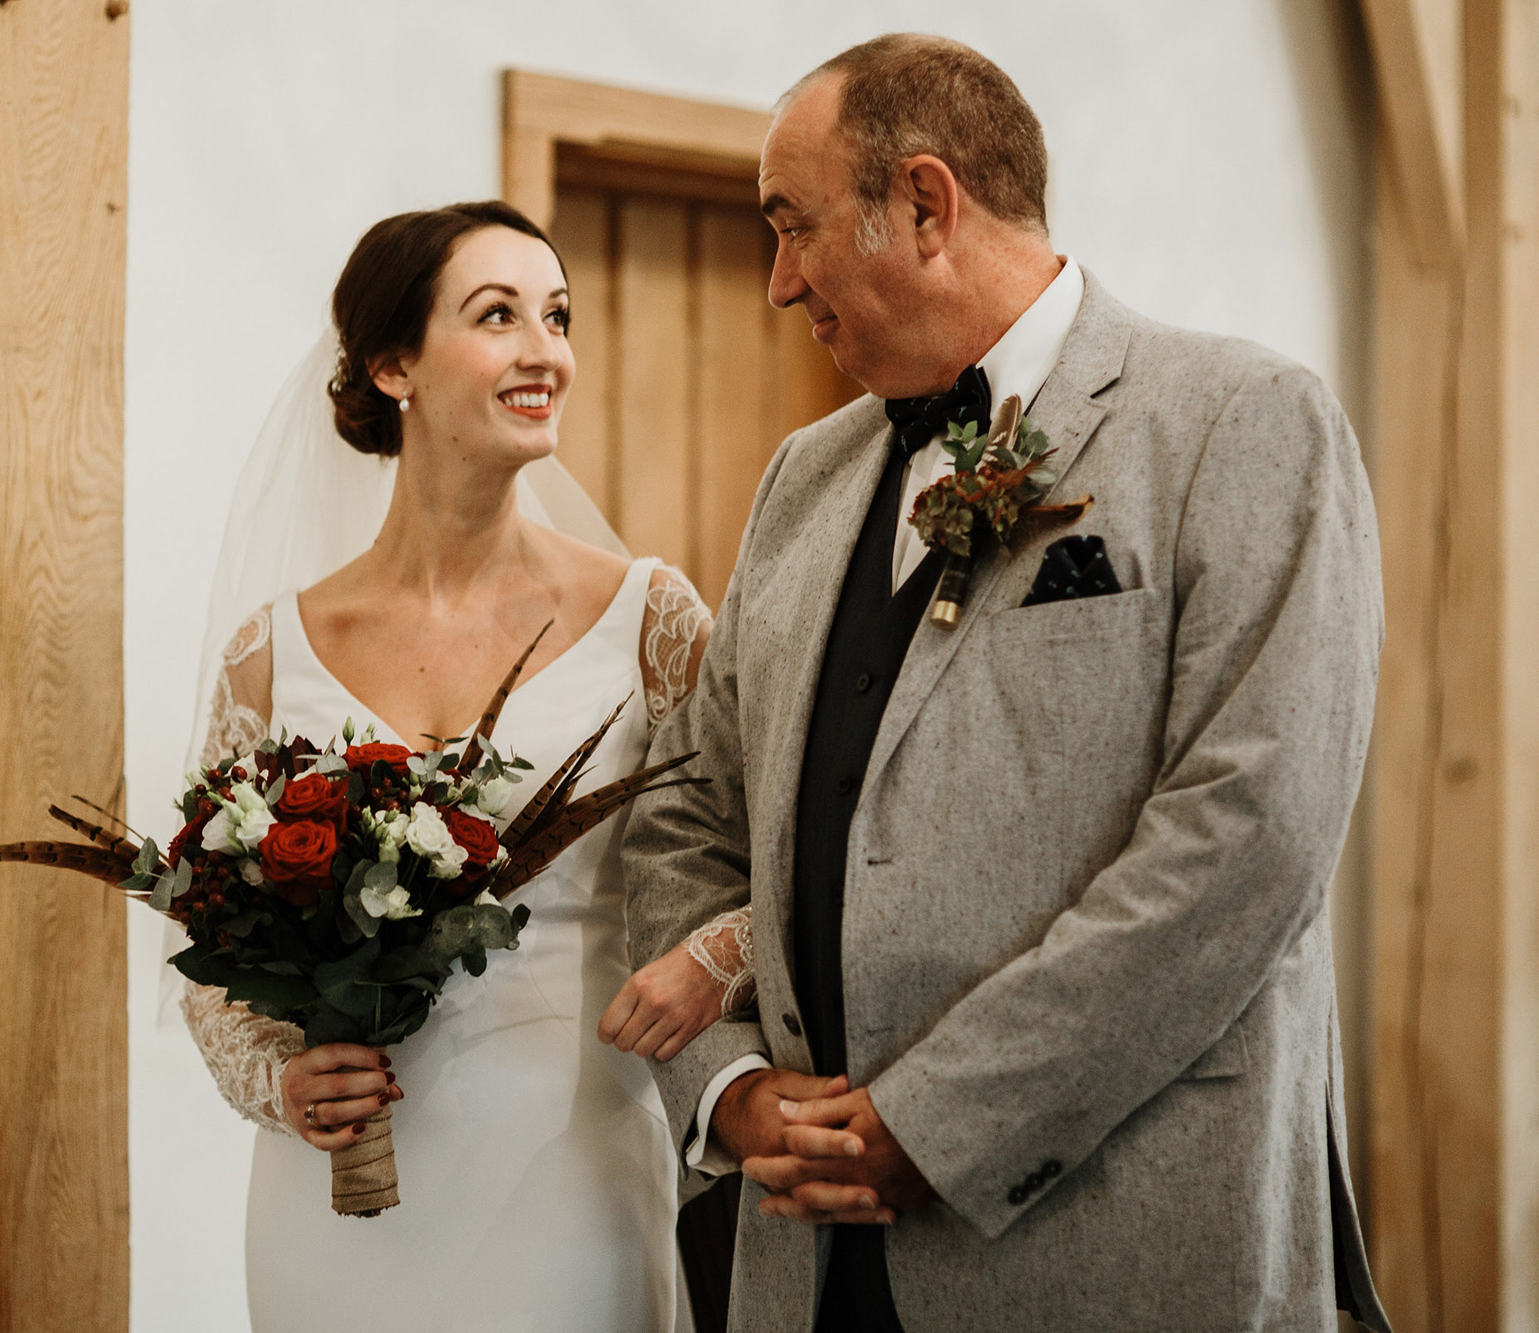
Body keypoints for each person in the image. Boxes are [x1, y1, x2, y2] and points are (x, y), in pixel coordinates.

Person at [622, 35, 1391, 1333]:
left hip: (1110, 1242)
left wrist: (936, 1122)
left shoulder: (1240, 421)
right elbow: (687, 811)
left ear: (926, 204)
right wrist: (732, 1088)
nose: (776, 281)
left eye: (794, 228)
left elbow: (1248, 837)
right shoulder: (801, 480)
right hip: (805, 1263)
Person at [179, 201, 746, 1333]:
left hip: (569, 1166)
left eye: (558, 315)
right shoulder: (270, 650)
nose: (547, 351)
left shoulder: (648, 617)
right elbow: (207, 947)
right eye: (498, 316)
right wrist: (280, 1082)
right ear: (394, 363)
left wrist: (710, 961)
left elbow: (754, 862)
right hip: (335, 1189)